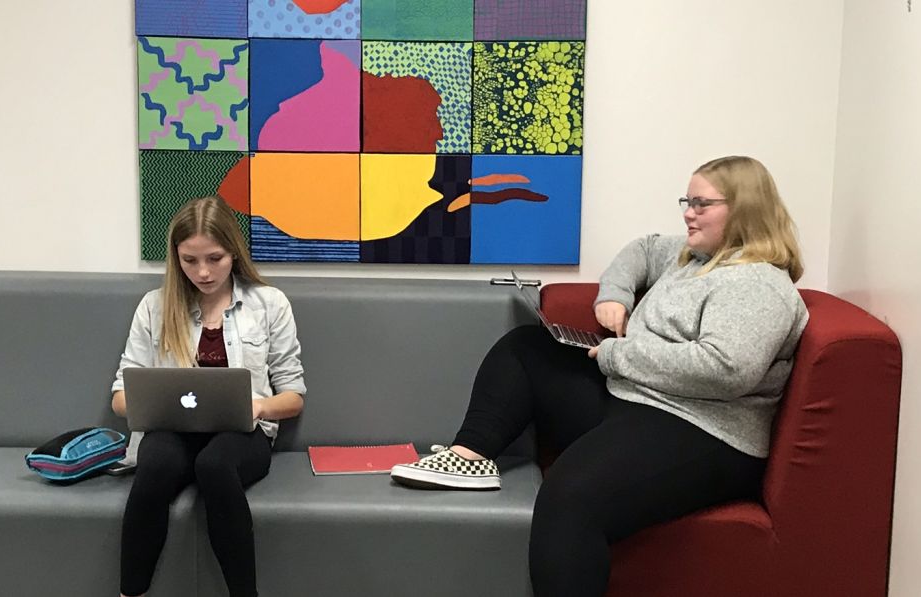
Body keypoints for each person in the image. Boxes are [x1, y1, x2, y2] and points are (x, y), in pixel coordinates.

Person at [390, 156, 810, 597]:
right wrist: (613, 296)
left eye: (702, 204)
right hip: (638, 398)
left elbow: (726, 371)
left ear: (745, 209)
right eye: (687, 200)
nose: (688, 212)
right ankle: (469, 456)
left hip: (706, 430)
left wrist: (617, 354)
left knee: (569, 500)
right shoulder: (695, 255)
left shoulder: (757, 285)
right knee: (528, 350)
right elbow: (644, 249)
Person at [110, 196, 306, 597]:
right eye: (189, 260)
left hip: (244, 434)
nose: (202, 272)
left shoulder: (269, 304)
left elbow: (294, 396)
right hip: (171, 431)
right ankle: (131, 592)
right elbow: (119, 396)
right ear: (176, 257)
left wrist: (259, 406)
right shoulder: (155, 307)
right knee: (155, 468)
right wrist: (150, 404)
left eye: (214, 259)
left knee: (215, 466)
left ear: (233, 251)